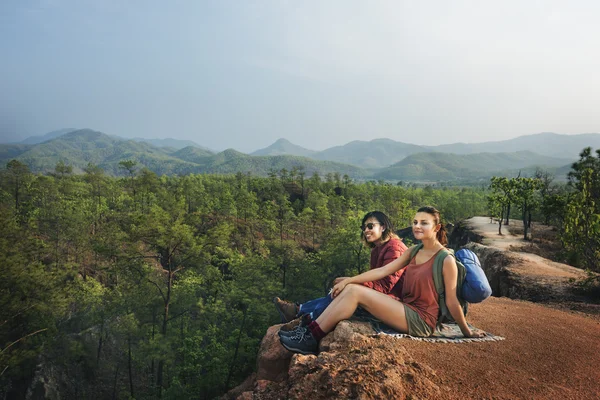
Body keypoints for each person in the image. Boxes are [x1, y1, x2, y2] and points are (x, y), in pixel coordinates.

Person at [279, 206, 486, 355]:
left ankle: (309, 335)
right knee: (351, 289)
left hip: (422, 320)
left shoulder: (445, 259)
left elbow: (451, 301)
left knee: (355, 292)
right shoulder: (414, 250)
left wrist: (466, 332)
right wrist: (349, 280)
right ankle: (310, 335)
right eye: (415, 222)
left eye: (424, 223)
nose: (417, 226)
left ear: (436, 227)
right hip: (406, 308)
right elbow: (383, 271)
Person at [273, 211, 408, 323]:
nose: (366, 230)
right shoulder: (377, 250)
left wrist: (350, 281)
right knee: (342, 286)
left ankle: (304, 316)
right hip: (386, 296)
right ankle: (300, 311)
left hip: (397, 303)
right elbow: (376, 281)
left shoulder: (395, 248)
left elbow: (384, 286)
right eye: (364, 227)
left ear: (383, 227)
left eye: (371, 226)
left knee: (347, 288)